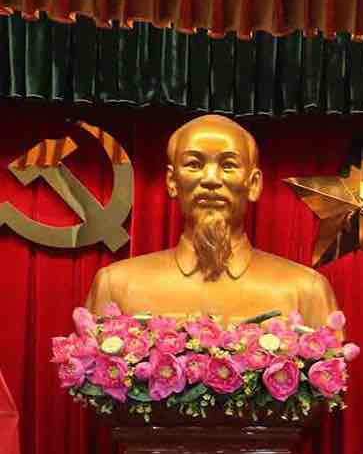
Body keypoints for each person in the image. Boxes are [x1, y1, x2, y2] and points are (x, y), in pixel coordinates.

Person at [85, 115, 340, 322]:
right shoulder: (116, 286)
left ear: (253, 184)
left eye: (228, 165)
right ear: (172, 182)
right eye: (194, 164)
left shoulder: (306, 291)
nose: (210, 179)